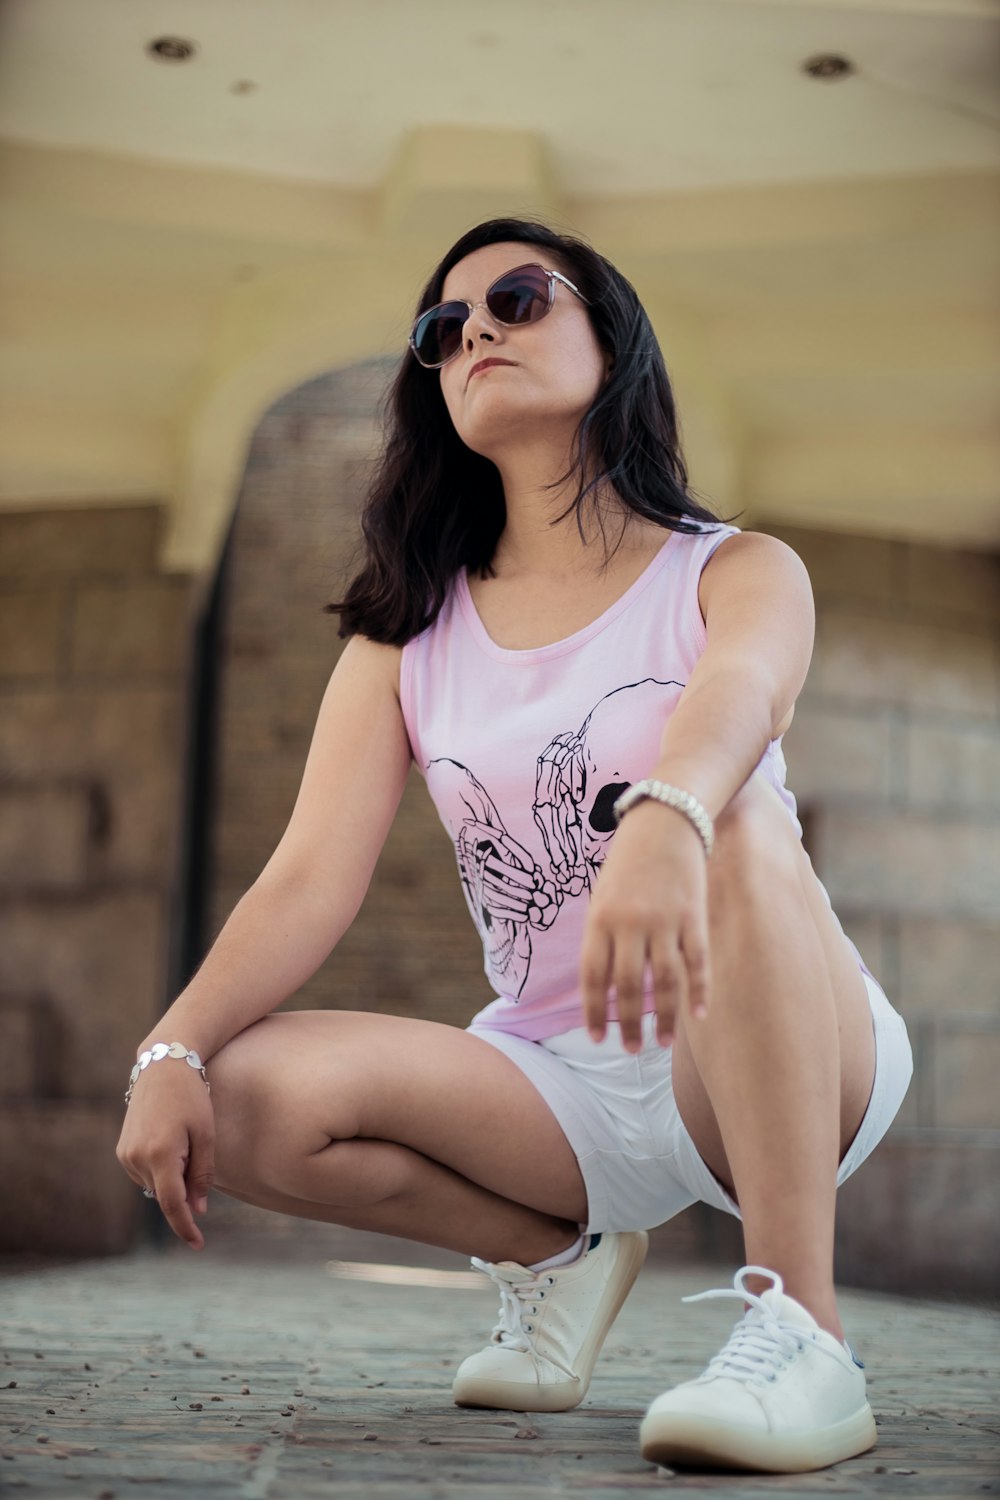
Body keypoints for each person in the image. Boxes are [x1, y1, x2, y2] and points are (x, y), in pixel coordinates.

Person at [116, 217, 913, 1475]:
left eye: (519, 298)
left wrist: (667, 815)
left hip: (772, 1045)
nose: (476, 329)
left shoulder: (735, 569)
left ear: (615, 341)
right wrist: (170, 1047)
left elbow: (739, 699)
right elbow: (310, 876)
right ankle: (561, 1259)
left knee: (740, 819)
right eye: (444, 328)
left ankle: (805, 1334)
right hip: (557, 1085)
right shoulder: (403, 641)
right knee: (245, 1099)